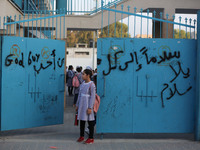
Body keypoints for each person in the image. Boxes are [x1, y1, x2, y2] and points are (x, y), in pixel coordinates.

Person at [76, 69, 96, 144]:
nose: (82, 75)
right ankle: (82, 136)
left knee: (90, 121)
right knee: (82, 120)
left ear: (88, 75)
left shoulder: (92, 85)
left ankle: (91, 137)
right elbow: (79, 95)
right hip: (82, 104)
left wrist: (90, 107)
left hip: (88, 104)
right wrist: (77, 104)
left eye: (83, 74)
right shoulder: (82, 84)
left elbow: (93, 97)